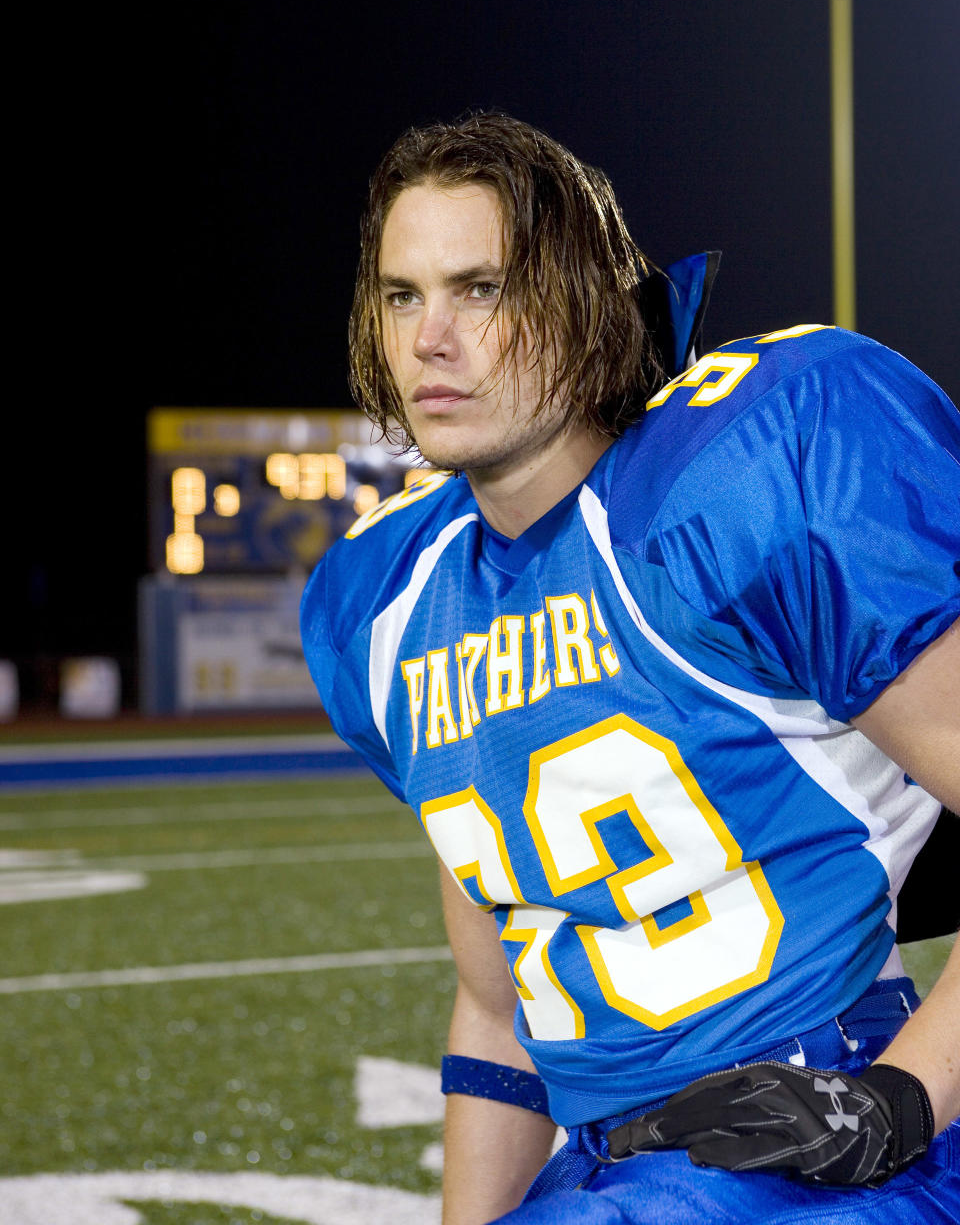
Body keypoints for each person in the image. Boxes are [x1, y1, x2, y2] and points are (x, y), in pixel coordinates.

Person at [300, 112, 960, 1223]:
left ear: (579, 301)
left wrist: (898, 1099)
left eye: (480, 288)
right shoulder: (390, 606)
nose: (429, 338)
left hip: (835, 1135)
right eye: (403, 294)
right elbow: (496, 1003)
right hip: (609, 1168)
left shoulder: (728, 491)